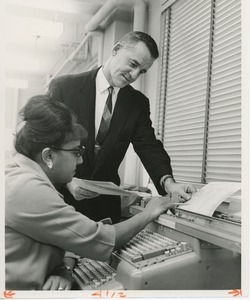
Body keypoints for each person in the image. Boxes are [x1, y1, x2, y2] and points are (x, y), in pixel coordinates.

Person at [5, 95, 175, 290]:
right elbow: (99, 240)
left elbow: (60, 234)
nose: (80, 161)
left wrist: (65, 268)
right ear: (48, 155)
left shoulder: (21, 175)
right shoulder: (27, 189)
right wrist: (150, 212)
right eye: (76, 152)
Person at [46, 31, 196, 224]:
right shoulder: (64, 88)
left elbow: (148, 146)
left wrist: (169, 184)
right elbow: (44, 143)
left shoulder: (137, 103)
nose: (134, 75)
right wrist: (66, 181)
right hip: (61, 200)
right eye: (133, 64)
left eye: (141, 71)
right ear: (116, 50)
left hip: (104, 207)